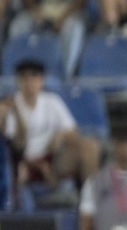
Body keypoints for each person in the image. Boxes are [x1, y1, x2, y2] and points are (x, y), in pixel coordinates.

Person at [12, 59, 100, 206]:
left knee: (90, 146)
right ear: (18, 81)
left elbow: (73, 131)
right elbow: (11, 144)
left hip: (51, 159)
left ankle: (91, 207)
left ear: (42, 80)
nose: (29, 82)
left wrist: (61, 136)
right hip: (22, 163)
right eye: (24, 77)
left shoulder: (52, 101)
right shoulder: (12, 105)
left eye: (34, 76)